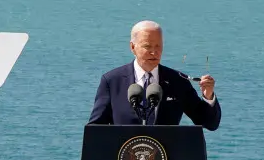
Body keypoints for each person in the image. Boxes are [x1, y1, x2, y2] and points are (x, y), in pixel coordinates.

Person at [87, 20, 221, 130]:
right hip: (124, 159)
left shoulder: (178, 81)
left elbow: (209, 123)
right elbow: (95, 128)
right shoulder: (112, 81)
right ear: (132, 47)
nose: (154, 52)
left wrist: (208, 95)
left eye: (158, 46)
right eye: (147, 46)